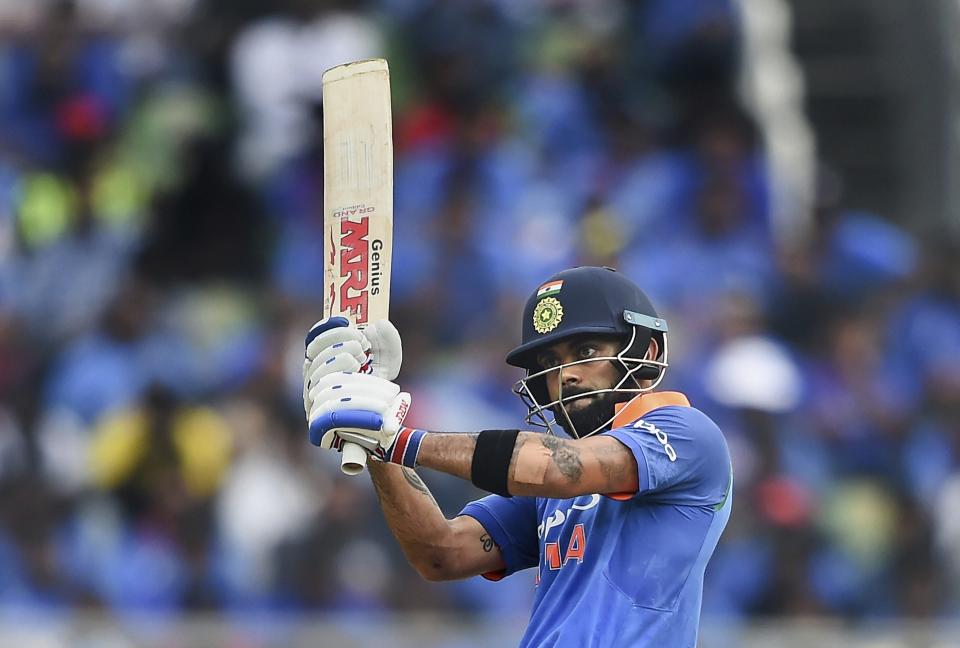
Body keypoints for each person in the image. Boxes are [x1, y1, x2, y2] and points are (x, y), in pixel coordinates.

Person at [303, 266, 732, 647]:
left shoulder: (687, 433)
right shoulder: (546, 490)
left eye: (585, 352)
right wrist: (375, 440)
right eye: (551, 360)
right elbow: (441, 552)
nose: (567, 374)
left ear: (647, 353)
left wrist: (399, 439)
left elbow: (565, 469)